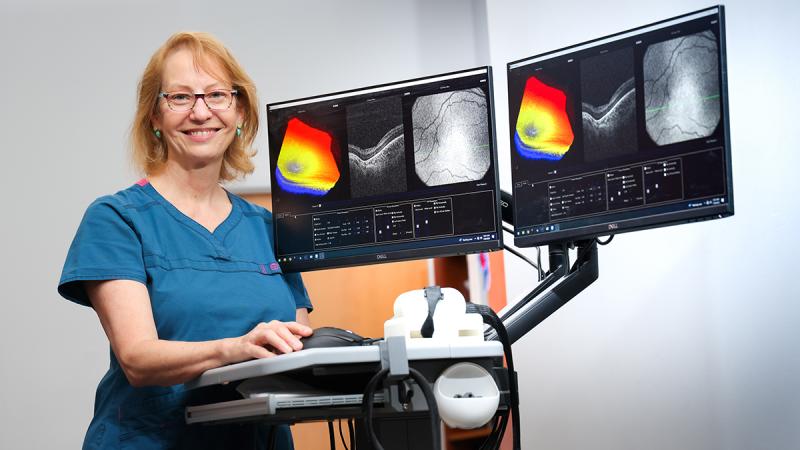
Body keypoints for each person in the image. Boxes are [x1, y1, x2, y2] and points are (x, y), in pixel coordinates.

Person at [58, 31, 313, 449]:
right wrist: (237, 348)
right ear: (154, 117)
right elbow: (138, 359)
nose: (200, 112)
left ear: (241, 112)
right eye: (179, 97)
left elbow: (294, 348)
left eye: (217, 95)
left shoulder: (271, 229)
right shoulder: (117, 219)